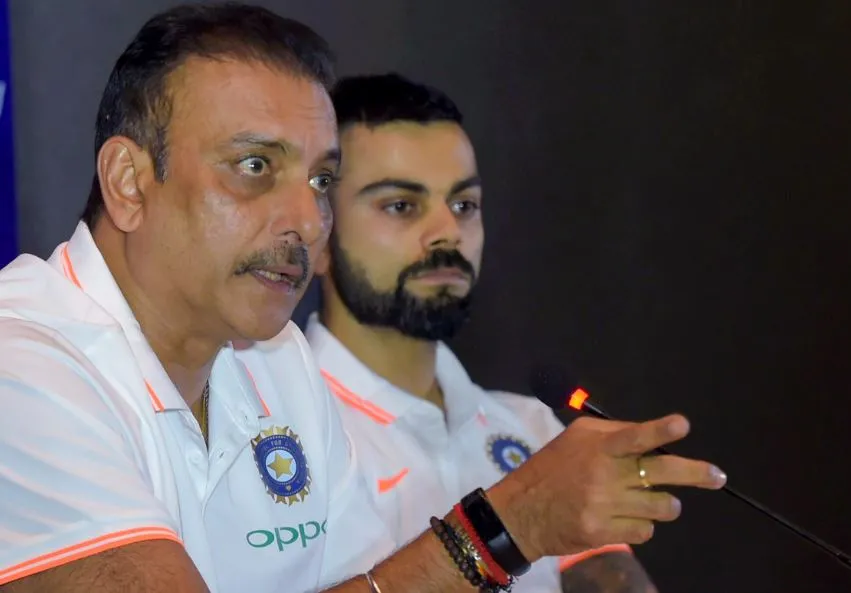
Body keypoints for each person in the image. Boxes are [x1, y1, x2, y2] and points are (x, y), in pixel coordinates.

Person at [0, 3, 727, 593]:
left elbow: (374, 584)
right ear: (129, 183)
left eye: (321, 181)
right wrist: (504, 527)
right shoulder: (20, 362)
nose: (306, 219)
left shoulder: (278, 364)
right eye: (255, 166)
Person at [304, 73, 658, 592]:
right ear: (317, 230)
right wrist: (510, 525)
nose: (448, 231)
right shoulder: (273, 431)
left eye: (464, 205)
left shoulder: (534, 428)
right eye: (402, 205)